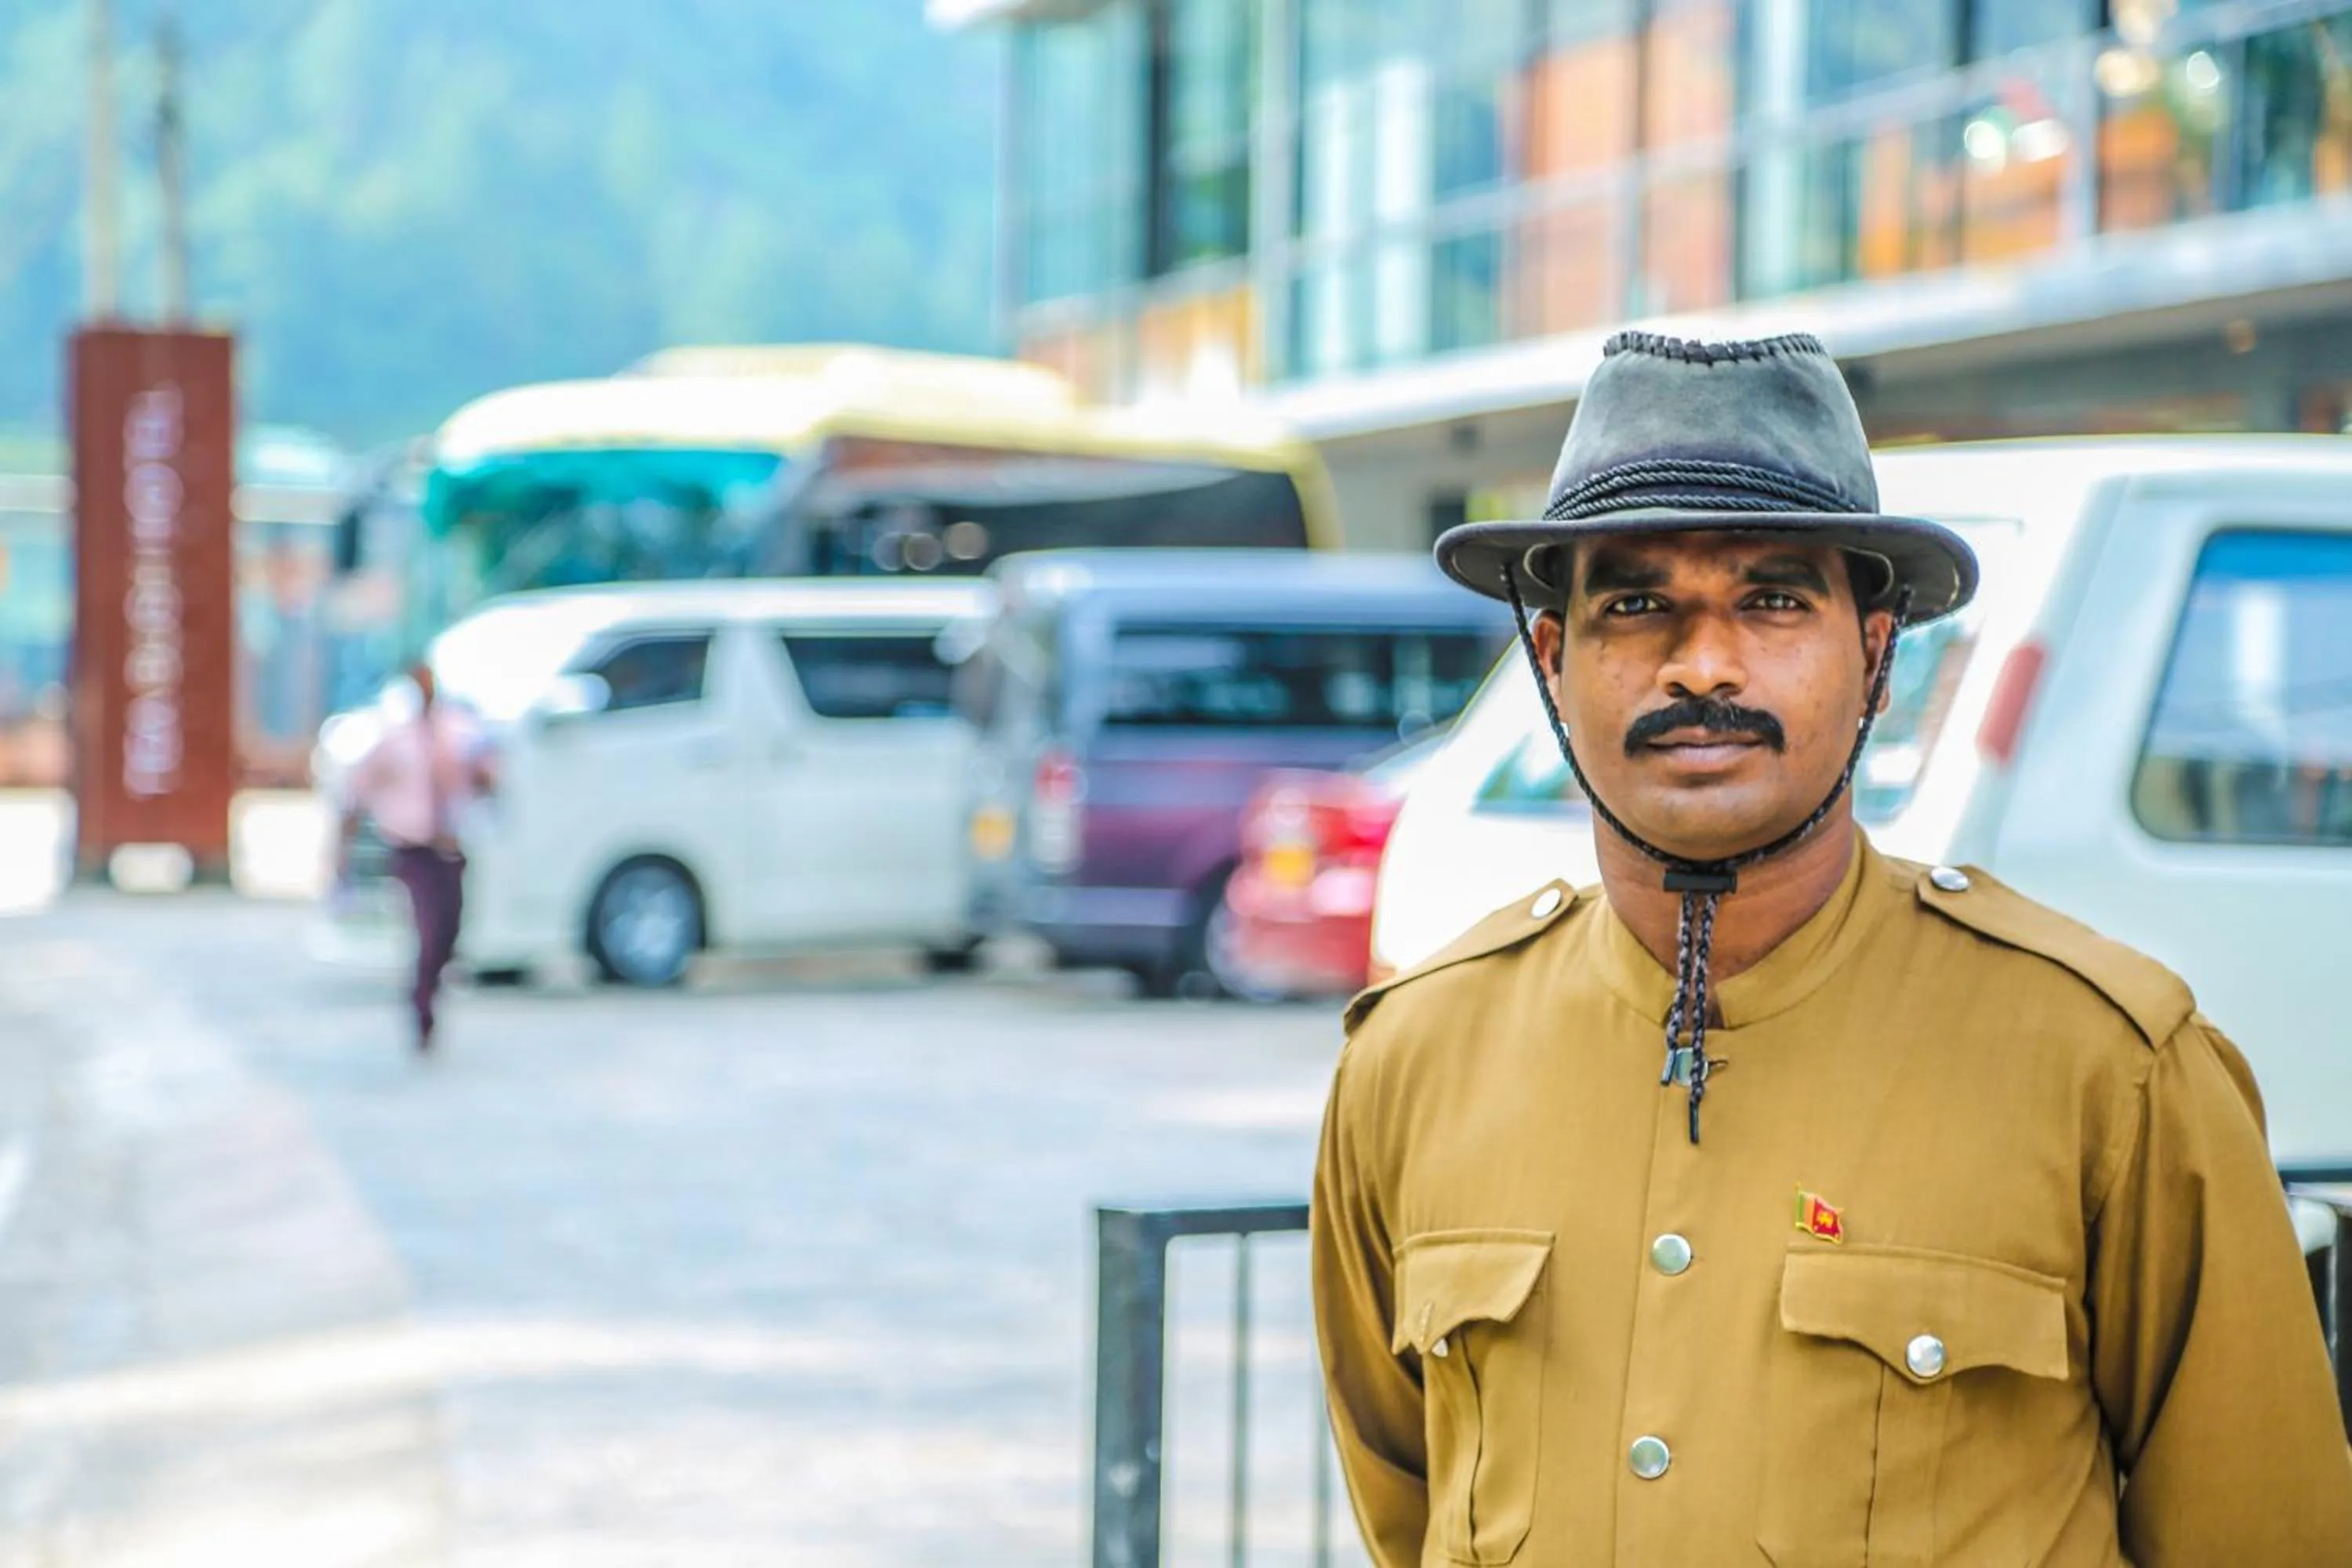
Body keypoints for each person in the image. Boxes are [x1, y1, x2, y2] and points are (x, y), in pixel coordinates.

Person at [1309, 331, 2352, 1565]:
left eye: (1774, 601)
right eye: (1635, 604)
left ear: (1875, 655)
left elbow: (2262, 1535)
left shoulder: (2110, 1066)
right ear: (1554, 661)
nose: (1703, 664)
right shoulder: (1414, 1059)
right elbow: (1407, 1499)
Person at [339, 662, 495, 1054]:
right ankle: (422, 1006)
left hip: (451, 847)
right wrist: (342, 854)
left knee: (449, 928)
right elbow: (357, 791)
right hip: (413, 848)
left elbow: (485, 777)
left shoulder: (458, 731)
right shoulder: (395, 739)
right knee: (427, 927)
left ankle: (433, 985)